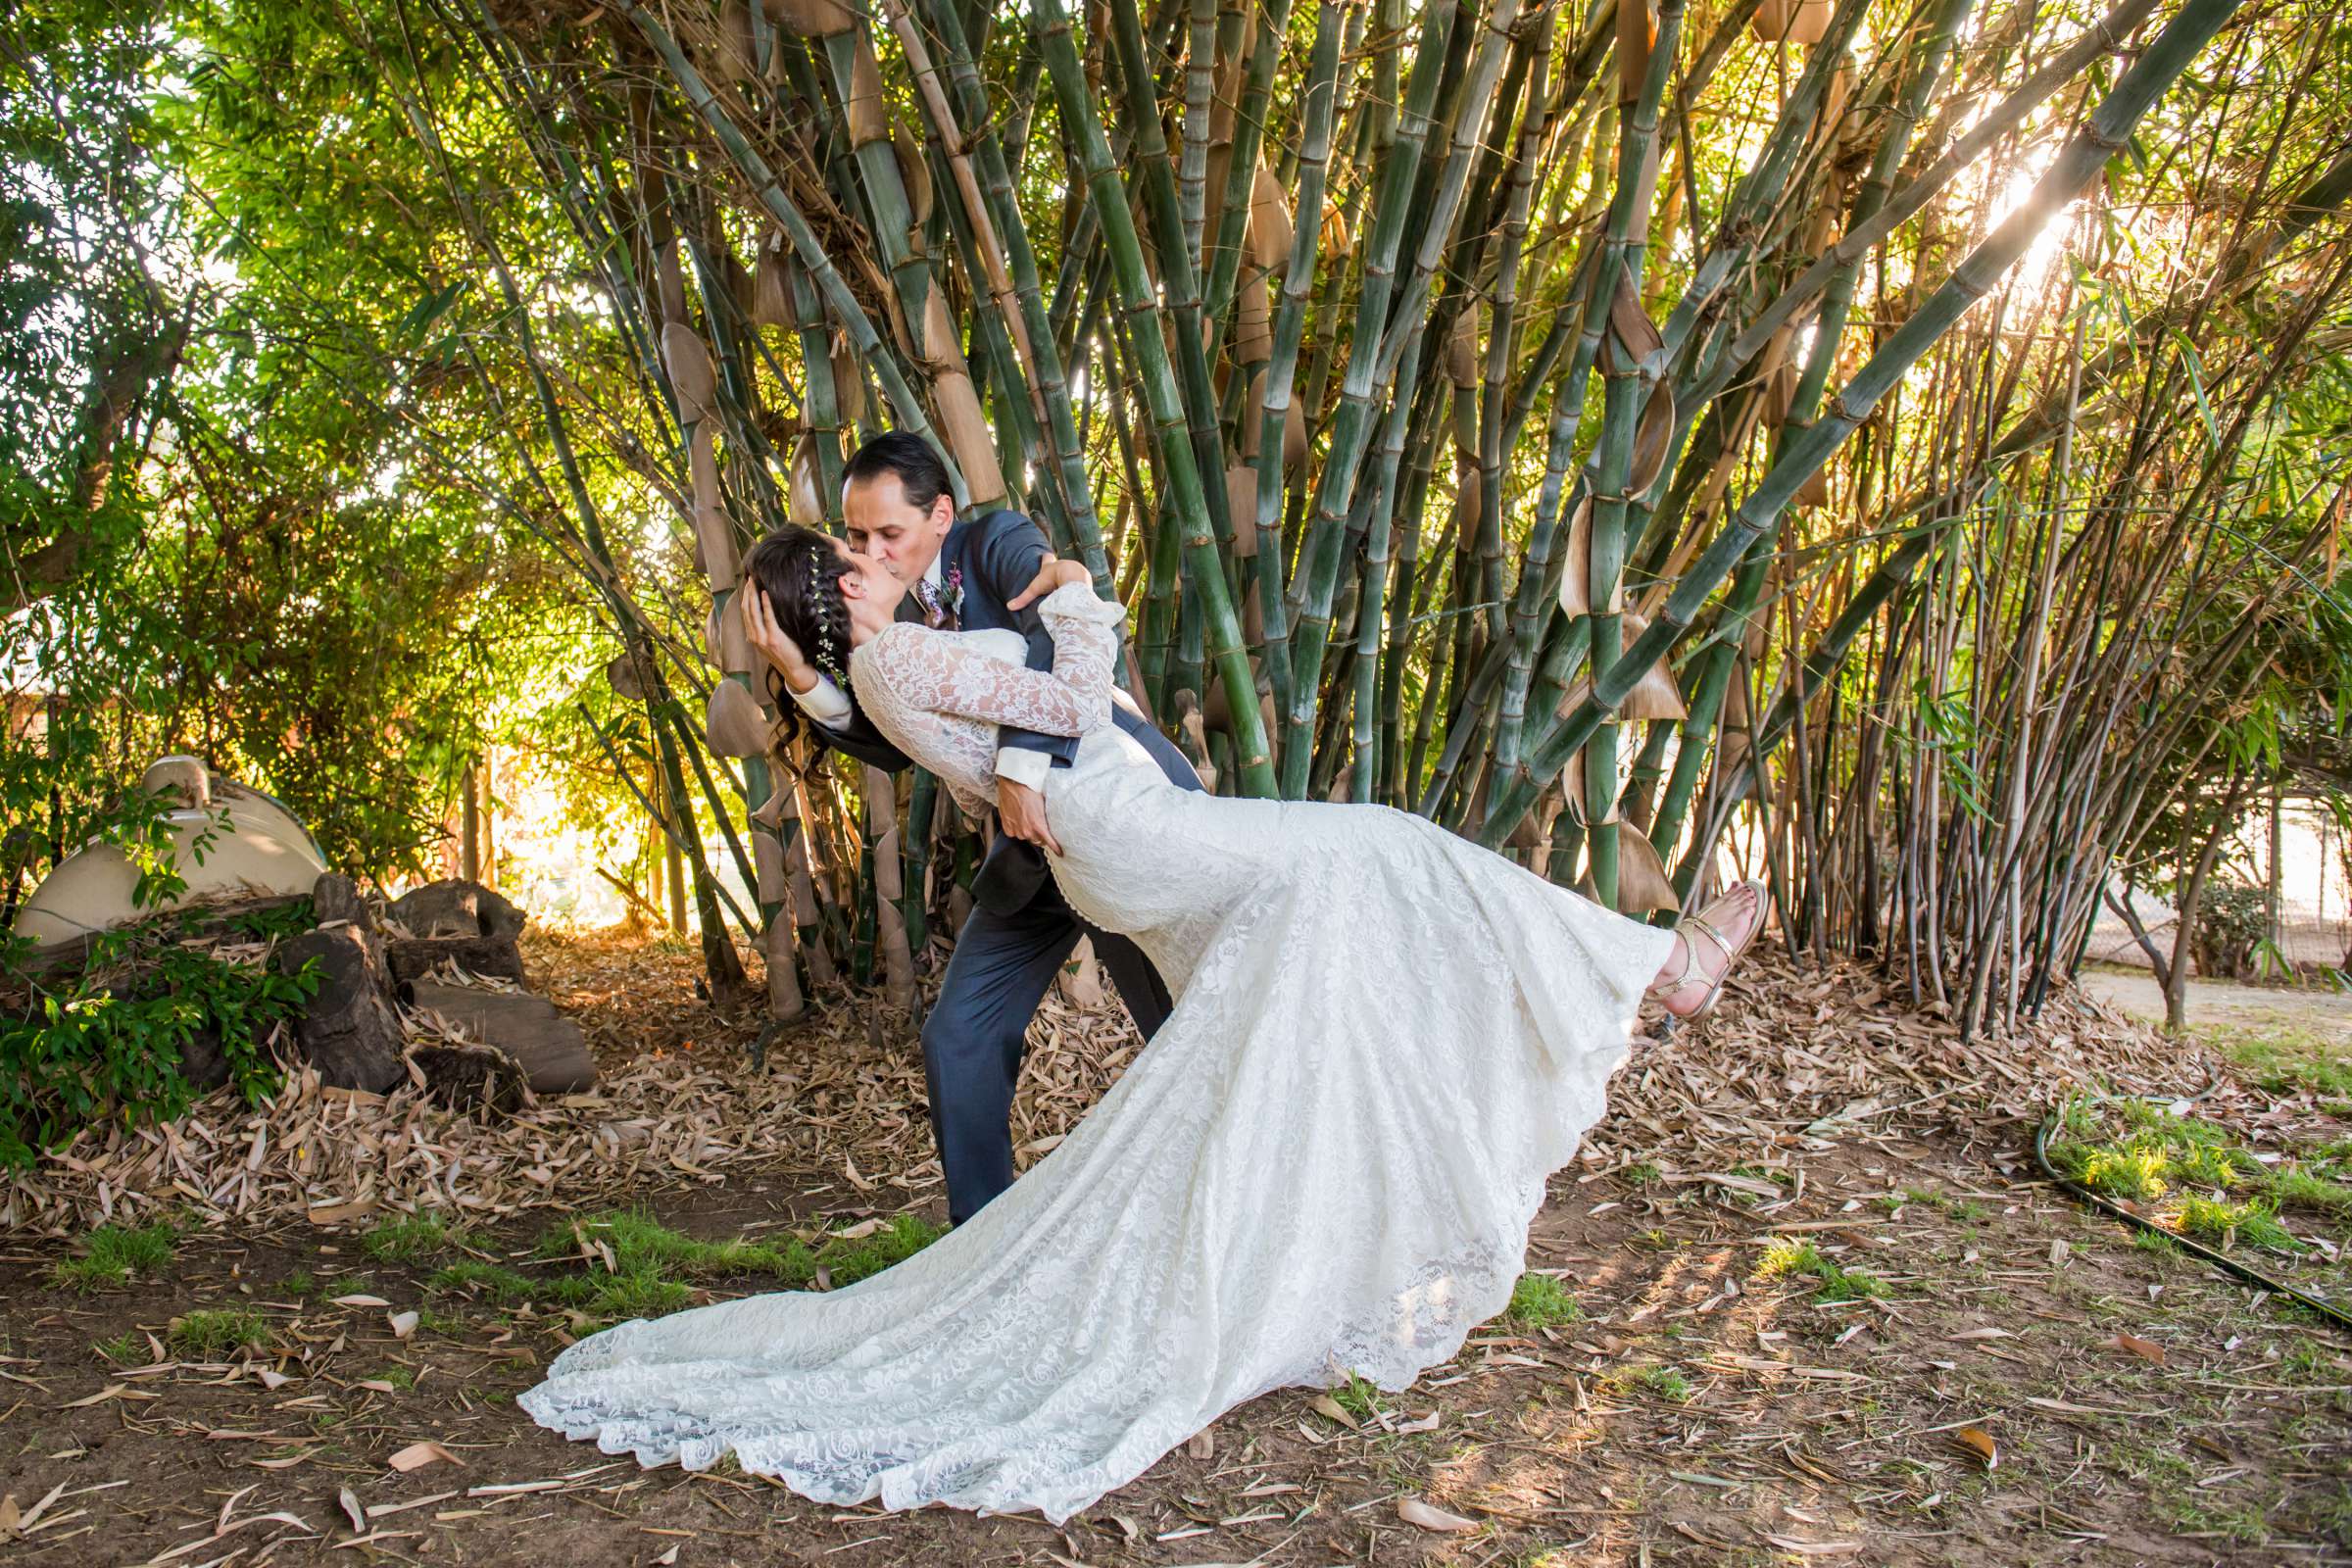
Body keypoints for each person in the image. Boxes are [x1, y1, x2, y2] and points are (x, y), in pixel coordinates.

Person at [518, 521, 1767, 1524]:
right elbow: (1065, 703)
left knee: (1310, 983)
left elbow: (969, 713)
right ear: (841, 588)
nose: (876, 555)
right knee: (1391, 848)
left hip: (1108, 847)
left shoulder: (884, 669)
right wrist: (1072, 598)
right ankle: (1660, 966)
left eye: (878, 535)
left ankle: (1316, 1237)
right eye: (852, 554)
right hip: (1131, 830)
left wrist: (839, 670)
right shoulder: (898, 658)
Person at [764, 431, 1206, 1228]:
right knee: (957, 1039)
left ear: (940, 515)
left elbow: (1053, 644)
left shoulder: (996, 540)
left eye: (887, 535)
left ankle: (1228, 1225)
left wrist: (1017, 771)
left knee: (1180, 1028)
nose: (870, 554)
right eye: (855, 537)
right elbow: (898, 738)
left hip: (1110, 819)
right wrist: (806, 680)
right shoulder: (884, 624)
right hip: (1028, 856)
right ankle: (984, 1250)